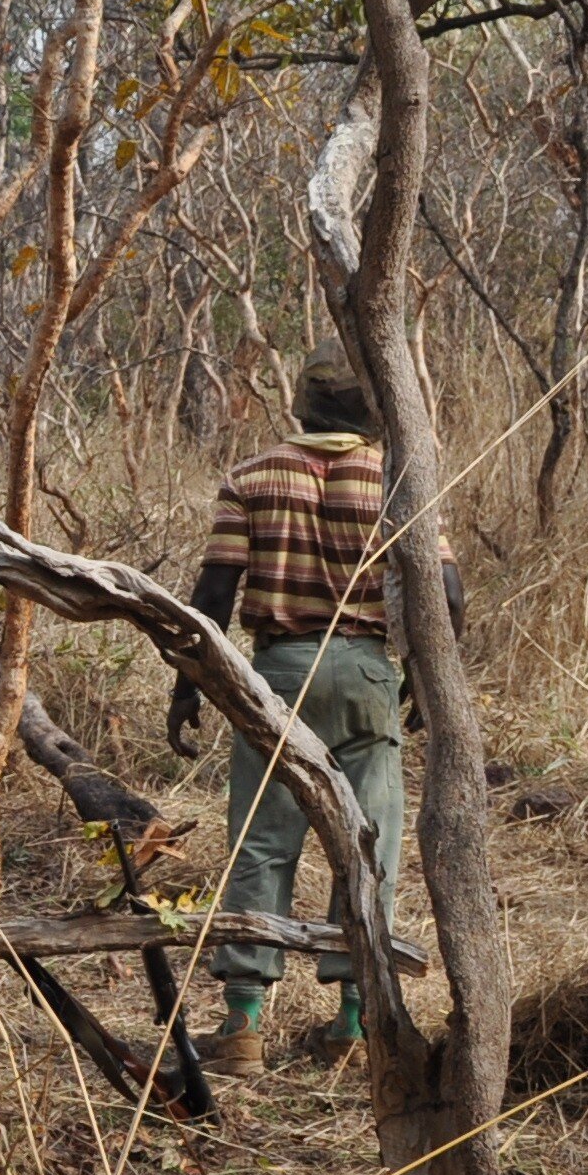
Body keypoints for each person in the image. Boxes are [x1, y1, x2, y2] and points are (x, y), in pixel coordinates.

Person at [163, 354, 459, 1077]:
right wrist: (427, 676)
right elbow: (446, 591)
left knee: (262, 842)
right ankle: (355, 1023)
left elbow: (213, 593)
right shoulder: (396, 481)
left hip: (275, 676)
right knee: (366, 845)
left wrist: (190, 684)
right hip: (365, 674)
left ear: (299, 409)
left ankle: (242, 1026)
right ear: (373, 414)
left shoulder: (252, 476)